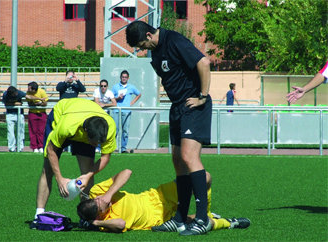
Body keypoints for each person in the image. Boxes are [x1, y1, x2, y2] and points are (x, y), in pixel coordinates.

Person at [125, 21, 212, 236]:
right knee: (177, 160)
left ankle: (202, 219)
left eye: (142, 44)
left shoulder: (174, 40)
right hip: (177, 107)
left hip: (193, 104)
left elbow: (204, 62)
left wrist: (202, 96)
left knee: (188, 156)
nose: (143, 49)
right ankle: (180, 217)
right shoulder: (155, 52)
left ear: (149, 34)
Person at [77, 169, 250, 233]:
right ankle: (229, 223)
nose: (101, 200)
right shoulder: (103, 222)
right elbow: (121, 224)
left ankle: (206, 212)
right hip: (161, 220)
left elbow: (127, 172)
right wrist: (97, 222)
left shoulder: (97, 192)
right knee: (201, 222)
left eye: (97, 200)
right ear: (98, 214)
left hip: (157, 196)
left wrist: (108, 195)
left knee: (204, 177)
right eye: (100, 205)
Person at [34, 98, 117, 219]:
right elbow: (51, 150)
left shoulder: (109, 127)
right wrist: (60, 179)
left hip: (85, 119)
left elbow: (106, 157)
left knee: (88, 170)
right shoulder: (67, 126)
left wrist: (88, 175)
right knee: (48, 169)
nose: (96, 146)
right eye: (94, 142)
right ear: (86, 132)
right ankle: (39, 214)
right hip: (63, 115)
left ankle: (86, 217)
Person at [2, 86, 45, 152]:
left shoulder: (19, 93)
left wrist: (39, 99)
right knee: (10, 132)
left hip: (19, 114)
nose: (16, 94)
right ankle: (11, 148)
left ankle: (20, 147)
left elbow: (29, 97)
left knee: (20, 131)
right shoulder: (5, 94)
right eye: (15, 93)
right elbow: (6, 103)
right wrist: (16, 104)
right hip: (10, 114)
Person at [111, 70, 141, 153]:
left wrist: (132, 103)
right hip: (117, 110)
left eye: (125, 77)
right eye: (122, 77)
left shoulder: (131, 87)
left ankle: (123, 148)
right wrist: (118, 98)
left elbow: (139, 94)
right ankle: (112, 147)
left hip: (127, 111)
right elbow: (112, 98)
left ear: (128, 78)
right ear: (120, 77)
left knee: (125, 131)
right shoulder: (115, 87)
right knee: (115, 130)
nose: (124, 78)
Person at [93, 79, 117, 153]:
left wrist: (105, 105)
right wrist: (100, 104)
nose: (103, 87)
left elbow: (114, 103)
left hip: (106, 114)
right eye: (101, 86)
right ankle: (98, 146)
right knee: (97, 130)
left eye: (105, 86)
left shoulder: (110, 92)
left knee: (105, 130)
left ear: (107, 86)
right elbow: (96, 102)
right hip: (97, 113)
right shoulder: (96, 91)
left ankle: (104, 146)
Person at [26, 82, 49, 153]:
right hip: (32, 113)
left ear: (34, 89)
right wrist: (39, 99)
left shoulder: (42, 91)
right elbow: (29, 99)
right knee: (33, 131)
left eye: (29, 88)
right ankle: (34, 147)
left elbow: (45, 103)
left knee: (41, 131)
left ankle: (41, 146)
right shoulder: (28, 93)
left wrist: (40, 103)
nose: (28, 89)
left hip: (41, 113)